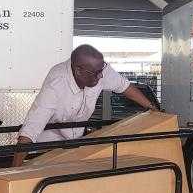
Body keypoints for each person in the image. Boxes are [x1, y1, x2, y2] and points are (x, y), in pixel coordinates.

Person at [12, 44, 158, 166]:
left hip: (76, 145)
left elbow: (125, 87)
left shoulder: (99, 70)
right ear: (78, 70)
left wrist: (154, 109)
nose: (101, 76)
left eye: (102, 70)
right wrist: (14, 172)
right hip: (48, 148)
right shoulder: (56, 85)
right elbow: (30, 130)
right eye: (96, 73)